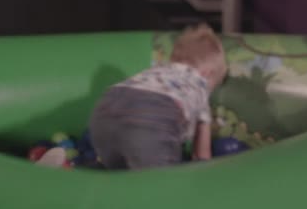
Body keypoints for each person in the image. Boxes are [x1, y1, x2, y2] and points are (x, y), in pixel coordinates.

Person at [88, 24, 228, 170]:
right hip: (152, 118)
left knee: (118, 170)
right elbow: (202, 155)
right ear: (208, 73)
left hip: (106, 110)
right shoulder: (200, 84)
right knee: (160, 182)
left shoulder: (157, 71)